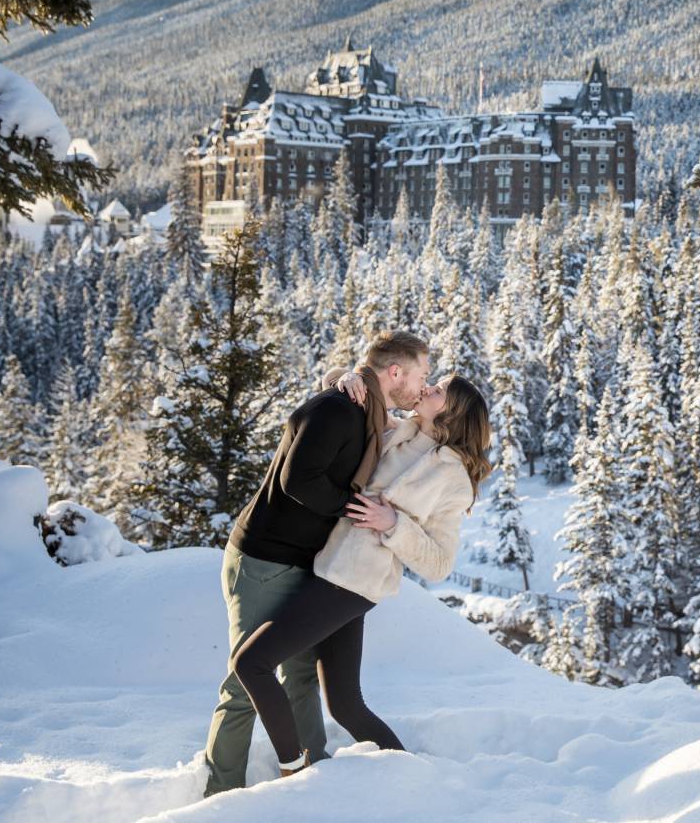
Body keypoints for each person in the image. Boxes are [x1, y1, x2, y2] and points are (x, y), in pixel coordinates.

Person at [200, 331, 432, 797]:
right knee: (247, 679)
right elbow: (297, 480)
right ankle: (221, 794)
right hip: (264, 557)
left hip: (306, 562)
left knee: (301, 673)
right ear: (395, 373)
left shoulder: (368, 410)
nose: (423, 385)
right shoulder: (338, 409)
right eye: (421, 374)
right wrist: (355, 511)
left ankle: (311, 776)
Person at [229, 372, 492, 777]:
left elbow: (438, 564)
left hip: (352, 584)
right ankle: (412, 776)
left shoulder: (453, 479)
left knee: (252, 664)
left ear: (453, 412)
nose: (427, 388)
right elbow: (356, 412)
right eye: (432, 382)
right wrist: (342, 377)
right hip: (330, 569)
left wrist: (393, 523)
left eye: (438, 390)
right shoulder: (400, 433)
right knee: (346, 705)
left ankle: (292, 771)